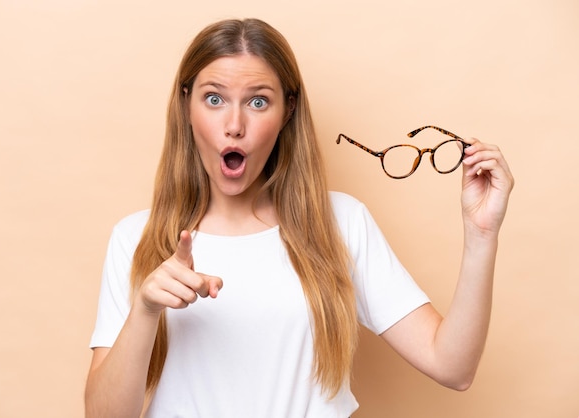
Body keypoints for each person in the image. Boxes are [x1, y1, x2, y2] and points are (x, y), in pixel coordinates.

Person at [84, 18, 514, 418]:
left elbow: (453, 367)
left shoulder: (341, 224)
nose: (234, 125)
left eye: (257, 101)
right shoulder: (136, 238)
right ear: (186, 104)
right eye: (214, 99)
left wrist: (481, 234)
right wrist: (145, 309)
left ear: (288, 110)